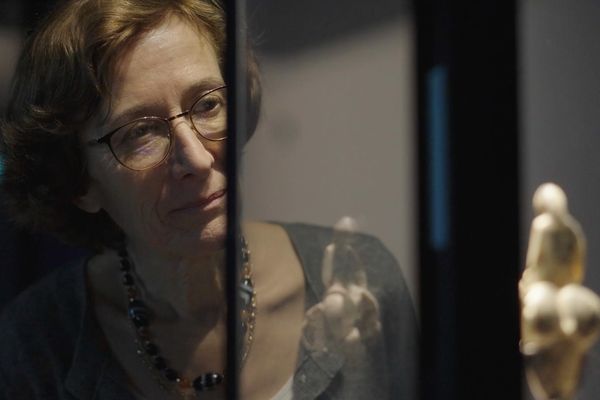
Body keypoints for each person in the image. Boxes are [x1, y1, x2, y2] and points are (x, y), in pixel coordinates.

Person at [0, 1, 417, 399]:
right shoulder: (37, 340)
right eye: (140, 133)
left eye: (208, 104)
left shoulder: (360, 288)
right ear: (79, 182)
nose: (197, 159)